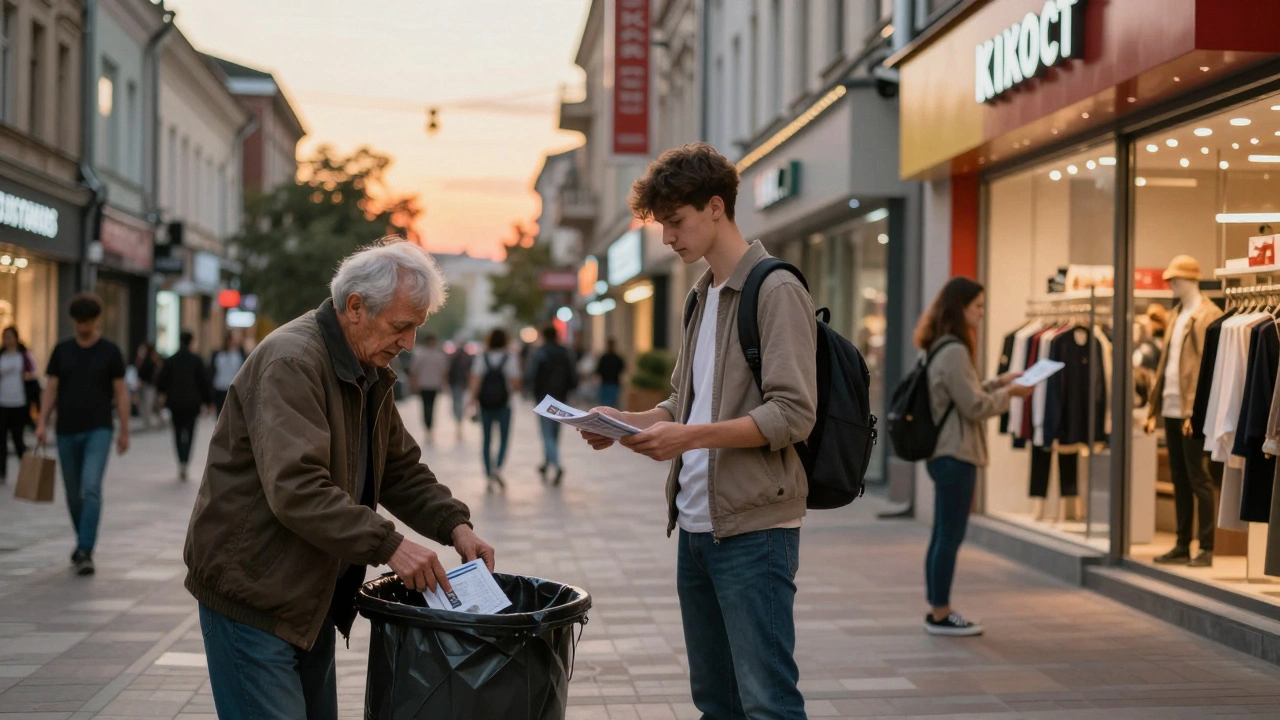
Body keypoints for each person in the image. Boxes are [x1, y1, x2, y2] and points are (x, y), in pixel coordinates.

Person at [184, 239, 495, 720]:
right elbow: (297, 487)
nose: (409, 342)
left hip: (308, 596)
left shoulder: (367, 367)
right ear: (355, 308)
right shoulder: (293, 360)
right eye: (401, 326)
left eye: (417, 328)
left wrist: (456, 525)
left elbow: (400, 468)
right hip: (255, 594)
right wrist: (390, 546)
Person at [578, 143, 816, 719]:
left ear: (716, 207)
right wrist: (620, 423)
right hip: (695, 528)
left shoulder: (776, 289)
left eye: (676, 222)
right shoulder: (699, 296)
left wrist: (688, 438)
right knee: (715, 702)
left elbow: (793, 414)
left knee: (768, 703)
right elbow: (680, 403)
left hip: (754, 531)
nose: (667, 238)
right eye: (662, 224)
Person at [915, 277, 1033, 637]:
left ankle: (938, 609)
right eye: (977, 306)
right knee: (949, 535)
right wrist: (1011, 393)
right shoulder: (953, 350)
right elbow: (974, 406)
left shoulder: (941, 346)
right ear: (960, 307)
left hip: (946, 453)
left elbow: (965, 393)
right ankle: (940, 612)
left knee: (943, 534)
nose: (982, 312)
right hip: (956, 453)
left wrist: (999, 382)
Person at [36, 293, 130, 576]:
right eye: (78, 321)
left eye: (87, 321)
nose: (82, 327)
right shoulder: (62, 350)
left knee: (90, 488)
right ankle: (82, 542)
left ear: (97, 320)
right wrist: (41, 422)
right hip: (65, 430)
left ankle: (85, 549)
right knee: (73, 495)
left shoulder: (110, 351)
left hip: (98, 429)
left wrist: (124, 430)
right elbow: (51, 387)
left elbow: (120, 391)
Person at [156, 330, 213, 481]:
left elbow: (162, 381)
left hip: (175, 402)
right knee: (190, 432)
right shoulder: (196, 360)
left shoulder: (171, 360)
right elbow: (204, 382)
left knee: (177, 431)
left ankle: (181, 460)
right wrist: (208, 402)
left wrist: (162, 395)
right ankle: (185, 461)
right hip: (192, 403)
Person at [469, 328, 520, 491]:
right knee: (504, 439)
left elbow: (476, 380)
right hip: (505, 404)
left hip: (485, 405)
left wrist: (472, 400)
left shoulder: (482, 357)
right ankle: (497, 467)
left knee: (486, 440)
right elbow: (516, 383)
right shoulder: (510, 357)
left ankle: (488, 473)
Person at [530, 325, 578, 485]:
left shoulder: (539, 352)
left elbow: (531, 374)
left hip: (544, 398)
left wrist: (530, 390)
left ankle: (556, 465)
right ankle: (547, 463)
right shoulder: (565, 352)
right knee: (555, 434)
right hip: (561, 397)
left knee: (546, 434)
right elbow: (573, 374)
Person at [0, 327, 35, 483]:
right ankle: (2, 472)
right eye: (4, 337)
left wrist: (27, 376)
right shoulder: (1, 355)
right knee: (1, 440)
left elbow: (34, 373)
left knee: (17, 439)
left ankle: (27, 470)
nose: (7, 340)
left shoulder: (24, 355)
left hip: (19, 402)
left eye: (9, 337)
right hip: (2, 402)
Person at [408, 334, 449, 445]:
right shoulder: (421, 355)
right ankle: (428, 427)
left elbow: (443, 372)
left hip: (432, 385)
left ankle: (429, 428)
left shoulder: (437, 356)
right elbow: (414, 372)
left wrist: (443, 384)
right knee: (426, 407)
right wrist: (414, 384)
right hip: (425, 385)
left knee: (430, 407)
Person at [209, 332, 246, 417]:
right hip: (220, 388)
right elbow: (212, 372)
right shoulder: (218, 355)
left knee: (232, 414)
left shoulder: (239, 355)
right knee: (220, 414)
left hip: (233, 388)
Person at [447, 342, 473, 441]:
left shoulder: (454, 357)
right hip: (461, 383)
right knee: (459, 401)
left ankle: (458, 418)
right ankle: (459, 418)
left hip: (455, 383)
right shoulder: (466, 358)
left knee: (456, 401)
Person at [133, 342, 161, 429]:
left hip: (149, 385)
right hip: (145, 384)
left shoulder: (151, 360)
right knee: (145, 403)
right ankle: (147, 421)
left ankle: (148, 421)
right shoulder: (144, 360)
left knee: (148, 403)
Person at [595, 338, 626, 409]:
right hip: (612, 383)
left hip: (608, 383)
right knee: (611, 403)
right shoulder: (617, 358)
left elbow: (598, 370)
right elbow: (622, 369)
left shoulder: (604, 357)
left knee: (605, 403)